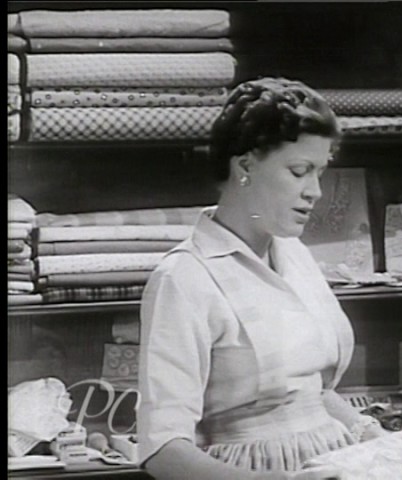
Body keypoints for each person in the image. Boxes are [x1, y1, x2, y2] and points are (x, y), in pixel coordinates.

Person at [137, 77, 387, 480]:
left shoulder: (296, 255)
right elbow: (163, 450)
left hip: (333, 465)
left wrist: (376, 440)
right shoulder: (184, 279)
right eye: (300, 171)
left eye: (320, 173)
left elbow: (311, 392)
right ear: (245, 168)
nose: (316, 191)